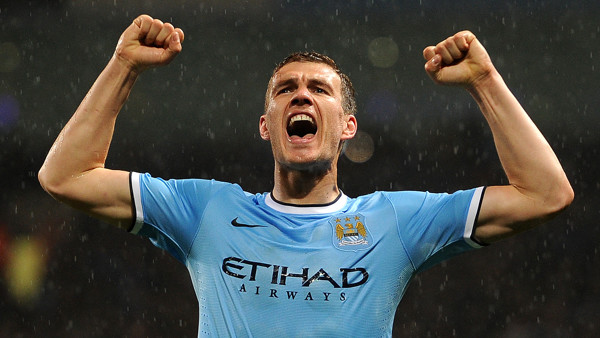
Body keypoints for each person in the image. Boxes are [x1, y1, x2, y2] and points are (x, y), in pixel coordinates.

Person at [38, 14, 573, 337]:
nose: (301, 94)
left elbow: (545, 194)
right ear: (266, 126)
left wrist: (484, 80)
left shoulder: (393, 221)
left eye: (320, 89)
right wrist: (123, 66)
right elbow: (66, 176)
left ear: (347, 126)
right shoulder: (207, 210)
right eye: (285, 88)